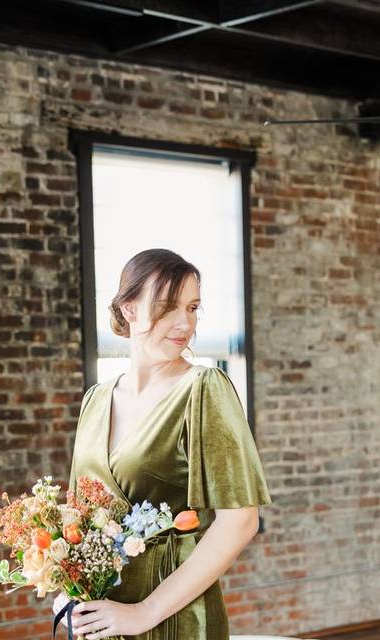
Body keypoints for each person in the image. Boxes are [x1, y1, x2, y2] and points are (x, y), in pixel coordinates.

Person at [56, 248, 272, 639]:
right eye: (168, 307)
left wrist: (143, 613)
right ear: (129, 310)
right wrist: (67, 587)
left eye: (192, 308)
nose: (184, 323)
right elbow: (78, 518)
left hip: (172, 617)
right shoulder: (95, 400)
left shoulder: (203, 389)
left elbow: (240, 521)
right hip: (100, 613)